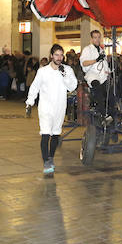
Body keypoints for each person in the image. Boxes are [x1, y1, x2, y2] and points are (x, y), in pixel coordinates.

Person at [25, 44, 78, 175]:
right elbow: (35, 87)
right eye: (56, 55)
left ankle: (50, 158)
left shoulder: (67, 70)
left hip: (60, 107)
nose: (59, 58)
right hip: (45, 107)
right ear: (51, 56)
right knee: (45, 133)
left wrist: (64, 75)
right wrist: (30, 102)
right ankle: (46, 162)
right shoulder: (43, 71)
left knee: (55, 134)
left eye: (61, 55)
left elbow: (72, 86)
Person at [80, 30, 110, 113]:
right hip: (92, 75)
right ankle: (102, 113)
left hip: (102, 76)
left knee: (110, 94)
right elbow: (84, 63)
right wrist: (96, 60)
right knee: (98, 90)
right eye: (95, 37)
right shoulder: (87, 49)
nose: (97, 39)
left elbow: (105, 64)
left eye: (99, 37)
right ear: (92, 39)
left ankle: (110, 114)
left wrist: (108, 71)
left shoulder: (101, 50)